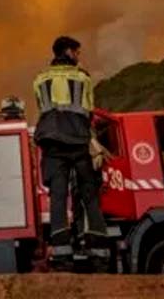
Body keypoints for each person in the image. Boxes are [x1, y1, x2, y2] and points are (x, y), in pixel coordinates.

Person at [33, 36, 108, 271]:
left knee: (57, 198)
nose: (79, 56)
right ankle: (99, 256)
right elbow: (88, 111)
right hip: (78, 141)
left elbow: (42, 108)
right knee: (89, 196)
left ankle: (62, 257)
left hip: (53, 143)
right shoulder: (83, 78)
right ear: (68, 51)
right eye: (77, 52)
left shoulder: (40, 79)